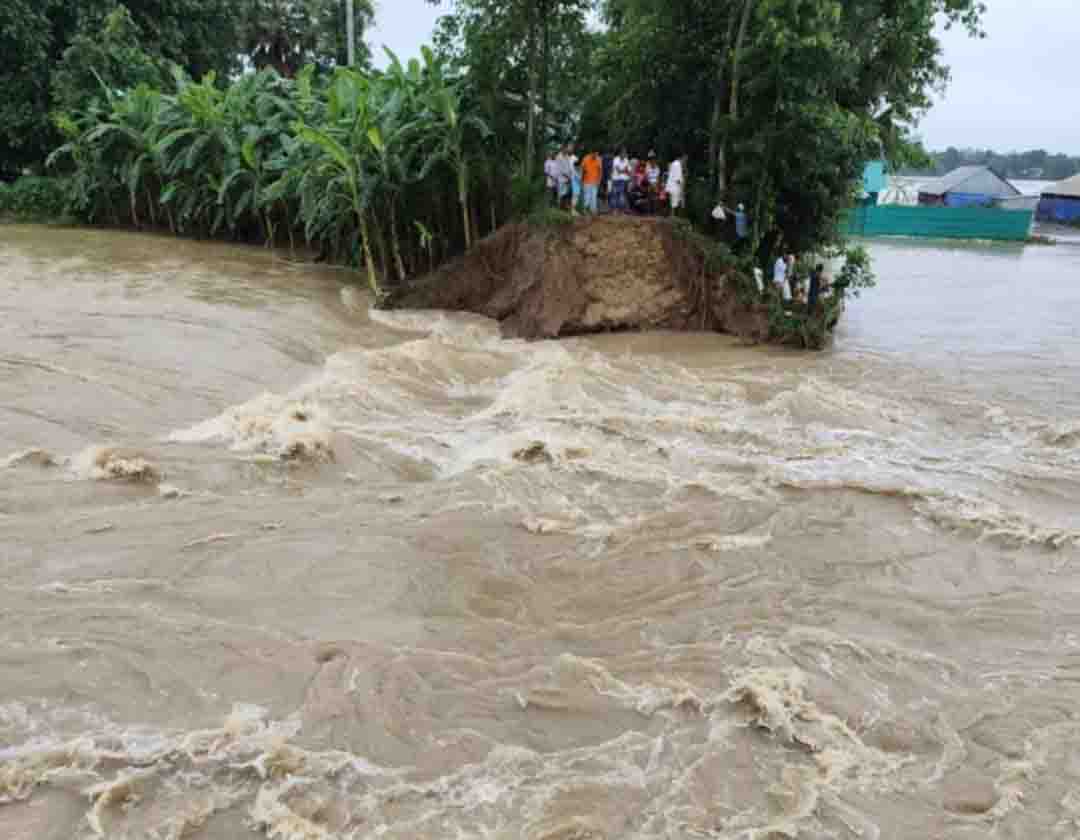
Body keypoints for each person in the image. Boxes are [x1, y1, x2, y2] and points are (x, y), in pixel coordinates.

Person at [582, 150, 602, 214]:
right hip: (586, 181)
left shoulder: (598, 159)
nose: (596, 155)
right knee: (587, 197)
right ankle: (585, 210)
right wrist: (582, 180)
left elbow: (600, 171)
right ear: (591, 153)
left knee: (594, 196)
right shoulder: (585, 159)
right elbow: (582, 170)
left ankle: (593, 211)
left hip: (595, 181)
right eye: (595, 154)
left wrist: (599, 180)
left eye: (597, 154)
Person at [556, 145, 574, 211]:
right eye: (565, 149)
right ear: (562, 149)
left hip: (568, 178)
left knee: (566, 194)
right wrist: (567, 176)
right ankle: (559, 209)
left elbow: (569, 167)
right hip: (561, 179)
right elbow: (560, 169)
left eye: (567, 150)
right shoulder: (558, 157)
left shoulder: (567, 156)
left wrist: (570, 175)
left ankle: (565, 208)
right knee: (561, 194)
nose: (567, 151)